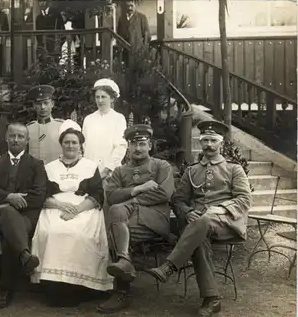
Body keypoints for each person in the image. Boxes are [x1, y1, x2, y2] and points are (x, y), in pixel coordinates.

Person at [145, 121, 252, 317]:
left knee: (201, 223)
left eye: (213, 140)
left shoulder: (233, 169)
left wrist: (216, 210)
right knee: (199, 236)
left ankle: (169, 266)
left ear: (221, 143)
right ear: (200, 143)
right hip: (198, 226)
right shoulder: (192, 170)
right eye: (205, 141)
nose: (209, 145)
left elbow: (244, 199)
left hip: (226, 223)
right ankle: (212, 299)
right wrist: (186, 212)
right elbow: (178, 200)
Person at [31, 120, 113, 307]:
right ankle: (54, 287)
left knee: (79, 233)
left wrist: (76, 210)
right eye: (67, 142)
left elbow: (97, 194)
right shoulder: (49, 167)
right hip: (54, 205)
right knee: (52, 232)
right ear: (61, 144)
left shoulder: (90, 166)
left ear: (80, 144)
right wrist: (60, 206)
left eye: (74, 142)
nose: (70, 145)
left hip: (85, 207)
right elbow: (41, 194)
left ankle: (81, 287)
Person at [97, 124, 174, 314]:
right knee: (116, 217)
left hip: (154, 220)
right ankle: (124, 263)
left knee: (115, 226)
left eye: (142, 143)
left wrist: (132, 201)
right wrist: (137, 189)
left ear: (149, 145)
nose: (138, 148)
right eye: (134, 144)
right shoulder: (120, 171)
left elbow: (164, 193)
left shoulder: (161, 166)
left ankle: (121, 289)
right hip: (126, 220)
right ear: (128, 147)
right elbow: (111, 196)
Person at [0, 122, 48, 310]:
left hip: (26, 217)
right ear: (6, 138)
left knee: (10, 234)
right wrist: (9, 197)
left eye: (20, 136)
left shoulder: (36, 165)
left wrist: (7, 201)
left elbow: (39, 195)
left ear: (27, 140)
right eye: (12, 136)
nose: (16, 139)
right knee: (9, 216)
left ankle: (5, 289)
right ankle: (25, 256)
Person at [82, 79, 128, 181]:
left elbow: (121, 147)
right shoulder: (88, 119)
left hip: (111, 174)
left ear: (112, 99)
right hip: (90, 172)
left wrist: (107, 170)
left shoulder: (118, 118)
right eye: (97, 97)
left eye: (103, 97)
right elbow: (84, 146)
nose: (100, 100)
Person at [26, 85, 64, 164]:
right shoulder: (28, 129)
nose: (42, 107)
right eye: (39, 104)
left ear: (52, 104)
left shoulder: (62, 127)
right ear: (34, 105)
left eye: (46, 103)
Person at [117, 0, 150, 66]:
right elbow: (119, 34)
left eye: (131, 6)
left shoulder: (141, 17)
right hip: (125, 52)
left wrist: (143, 50)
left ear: (135, 5)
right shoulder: (122, 19)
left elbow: (147, 35)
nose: (129, 8)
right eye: (128, 6)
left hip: (137, 52)